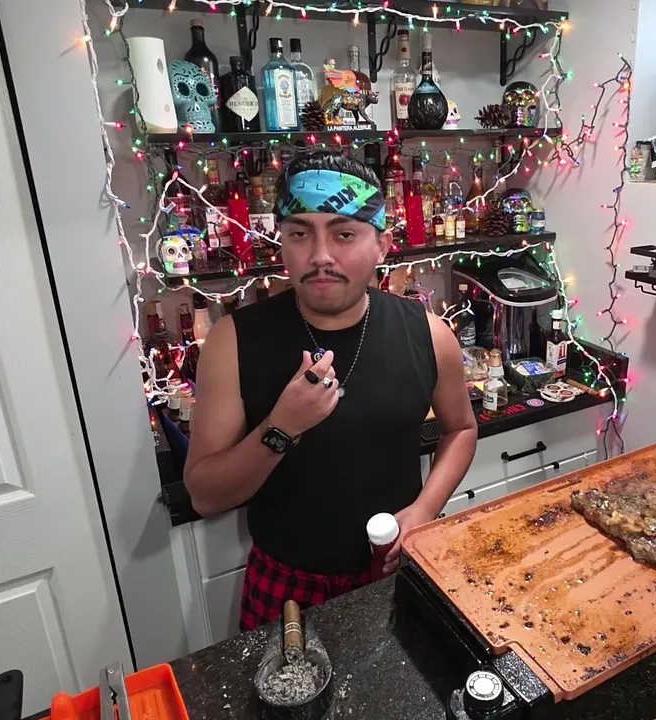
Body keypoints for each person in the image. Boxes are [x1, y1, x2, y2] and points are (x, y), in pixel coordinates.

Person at [185, 151, 478, 631]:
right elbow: (204, 495)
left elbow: (462, 429)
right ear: (281, 241)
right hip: (286, 588)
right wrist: (282, 427)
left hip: (400, 564)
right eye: (300, 234)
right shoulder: (231, 341)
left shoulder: (429, 334)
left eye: (344, 234)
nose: (320, 255)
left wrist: (426, 509)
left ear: (382, 245)